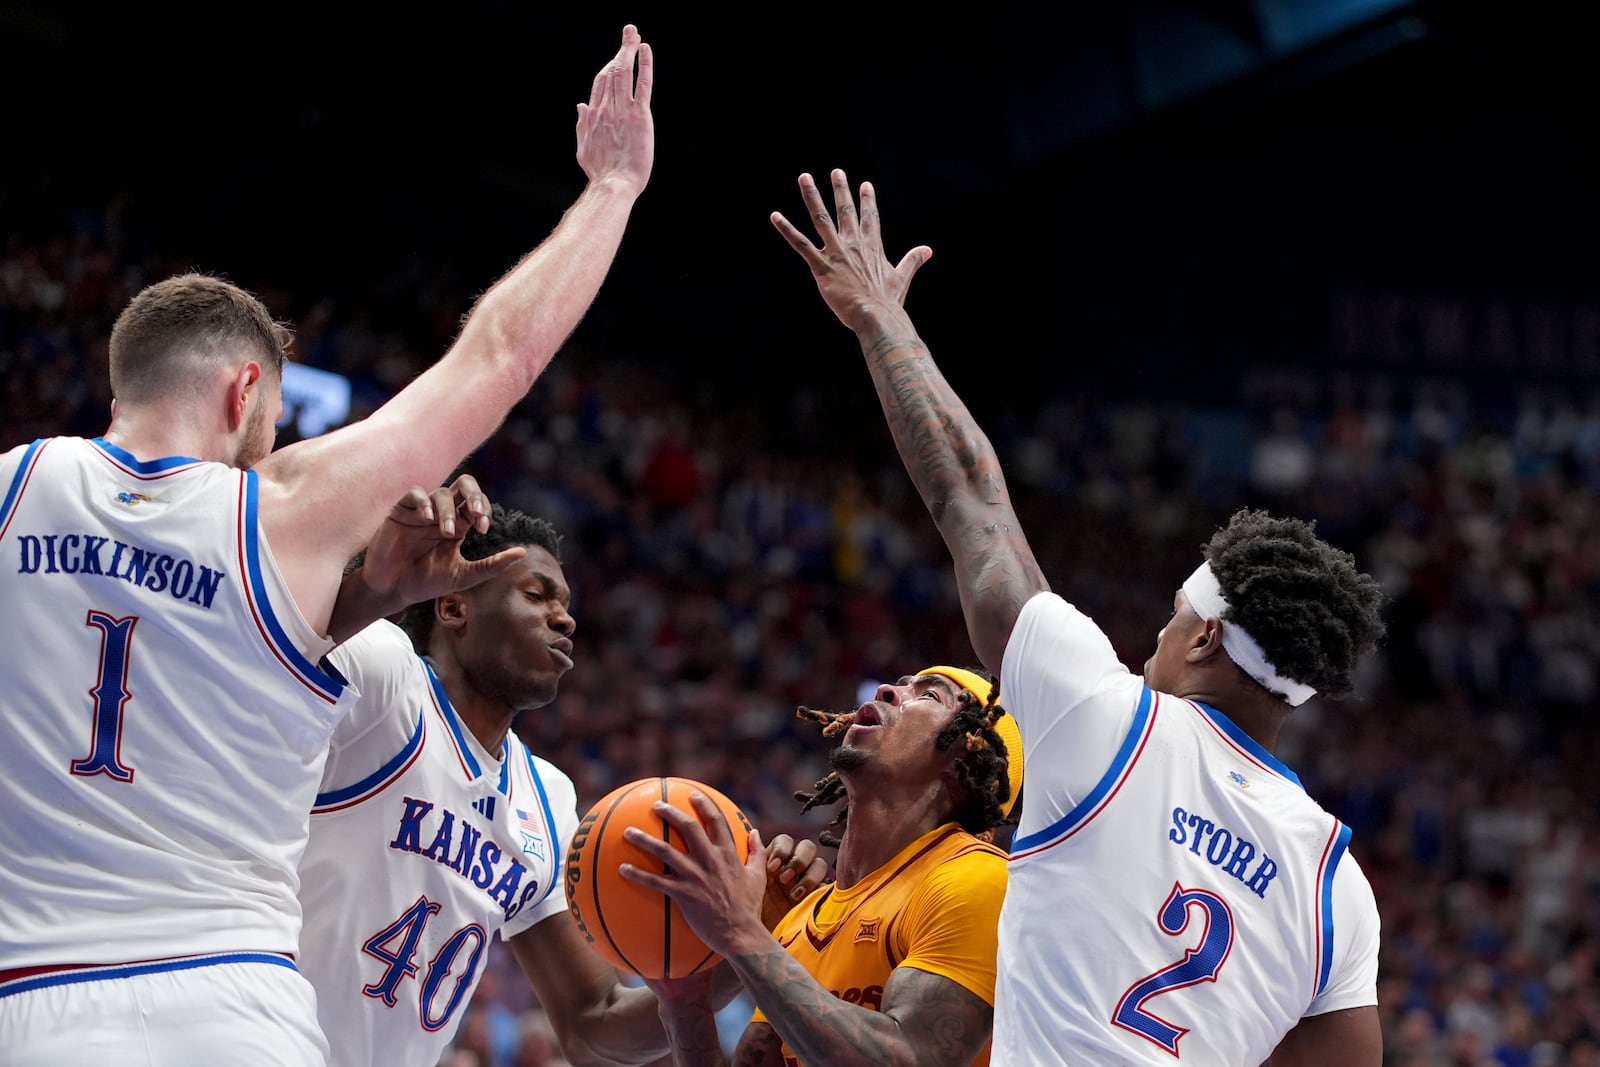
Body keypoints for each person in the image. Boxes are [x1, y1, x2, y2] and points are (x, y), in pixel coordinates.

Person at [0, 25, 653, 1066]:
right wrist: (612, 187)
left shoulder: (14, 490)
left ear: (121, 384)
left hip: (28, 995)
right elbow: (500, 354)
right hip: (227, 1003)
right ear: (246, 388)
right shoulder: (280, 509)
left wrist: (355, 606)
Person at [769, 170, 1388, 1066]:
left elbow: (969, 493)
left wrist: (880, 318)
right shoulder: (1340, 887)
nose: (1155, 643)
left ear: (1207, 634)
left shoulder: (1107, 718)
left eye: (1174, 619)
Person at [301, 500, 830, 1067]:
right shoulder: (385, 679)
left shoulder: (547, 799)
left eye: (566, 605)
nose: (565, 619)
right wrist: (378, 577)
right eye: (536, 595)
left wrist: (739, 946)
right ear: (453, 606)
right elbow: (281, 613)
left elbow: (593, 1026)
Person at [620, 664, 1025, 1067]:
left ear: (965, 763)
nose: (886, 690)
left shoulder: (979, 879)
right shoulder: (802, 921)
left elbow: (911, 1057)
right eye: (900, 685)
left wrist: (741, 933)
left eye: (929, 695)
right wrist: (685, 999)